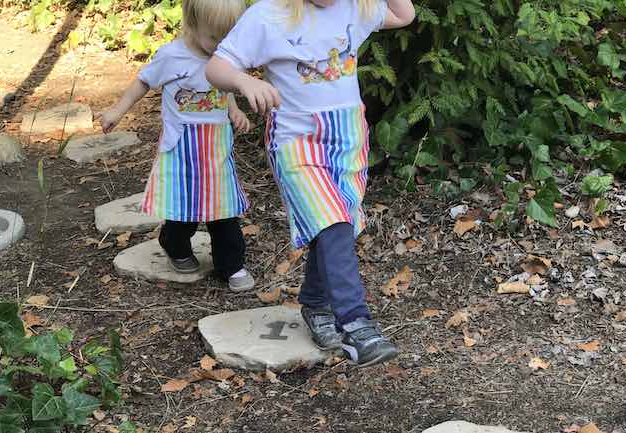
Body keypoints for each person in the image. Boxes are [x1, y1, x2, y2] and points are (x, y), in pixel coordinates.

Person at [205, 0, 415, 366]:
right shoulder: (268, 15)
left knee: (338, 226)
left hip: (348, 139)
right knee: (331, 222)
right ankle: (355, 324)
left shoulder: (354, 7)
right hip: (297, 142)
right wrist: (243, 80)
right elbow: (217, 66)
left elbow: (403, 15)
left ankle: (316, 304)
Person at [100, 0, 255, 292]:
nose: (221, 46)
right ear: (193, 25)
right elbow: (142, 83)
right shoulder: (172, 56)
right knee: (183, 208)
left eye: (228, 38)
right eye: (214, 38)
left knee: (224, 210)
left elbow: (225, 87)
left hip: (216, 150)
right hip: (182, 147)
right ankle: (175, 245)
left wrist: (234, 109)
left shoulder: (224, 54)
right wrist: (117, 111)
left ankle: (231, 265)